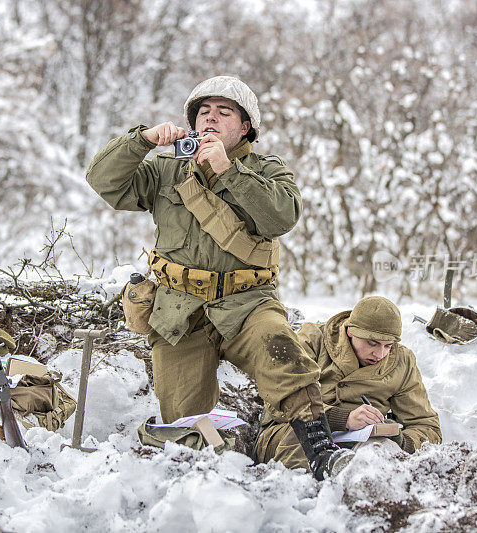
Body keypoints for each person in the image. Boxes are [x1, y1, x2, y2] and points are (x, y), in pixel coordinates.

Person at [85, 76, 353, 478]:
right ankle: (217, 465)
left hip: (248, 302)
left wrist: (228, 172)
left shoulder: (266, 170)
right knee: (185, 423)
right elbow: (103, 182)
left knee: (283, 352)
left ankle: (319, 449)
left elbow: (282, 217)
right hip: (180, 308)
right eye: (203, 113)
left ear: (245, 126)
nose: (210, 120)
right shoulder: (166, 167)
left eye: (224, 113)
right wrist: (142, 140)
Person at [254, 296, 442, 470]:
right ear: (350, 332)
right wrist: (343, 419)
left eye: (388, 345)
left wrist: (401, 440)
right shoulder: (313, 340)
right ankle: (307, 498)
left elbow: (427, 427)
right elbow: (280, 401)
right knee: (306, 438)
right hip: (291, 434)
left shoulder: (402, 361)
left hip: (360, 443)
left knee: (379, 454)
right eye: (372, 343)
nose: (380, 354)